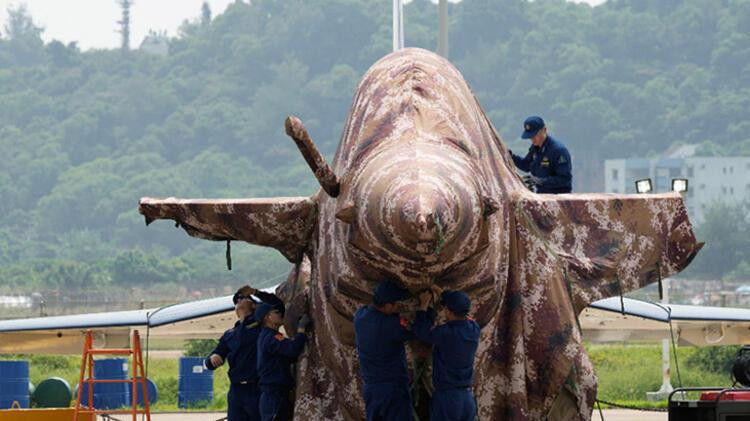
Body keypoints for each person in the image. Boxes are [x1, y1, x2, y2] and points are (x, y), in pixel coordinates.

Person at [204, 285, 285, 421]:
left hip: (257, 389)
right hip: (236, 391)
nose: (240, 301)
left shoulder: (262, 326)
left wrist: (255, 292)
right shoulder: (230, 335)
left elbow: (277, 306)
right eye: (237, 300)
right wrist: (212, 358)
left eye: (245, 298)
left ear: (253, 305)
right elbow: (210, 363)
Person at [414, 287, 480, 421]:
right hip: (467, 399)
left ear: (448, 311)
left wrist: (424, 306)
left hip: (448, 400)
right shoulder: (474, 329)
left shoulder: (445, 333)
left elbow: (421, 331)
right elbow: (460, 309)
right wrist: (441, 292)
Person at [353, 280, 415, 421]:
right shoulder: (391, 326)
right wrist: (423, 309)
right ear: (387, 305)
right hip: (393, 391)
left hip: (371, 390)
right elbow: (414, 333)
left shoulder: (360, 317)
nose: (396, 307)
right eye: (394, 304)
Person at [256, 302, 310, 421]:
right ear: (267, 318)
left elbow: (288, 356)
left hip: (274, 394)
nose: (279, 314)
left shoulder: (266, 336)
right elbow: (292, 350)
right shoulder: (271, 337)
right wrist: (301, 330)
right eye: (275, 312)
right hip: (275, 395)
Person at [510, 116, 572, 193]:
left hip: (559, 197)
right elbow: (526, 165)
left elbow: (565, 179)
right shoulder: (535, 147)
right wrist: (511, 157)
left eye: (535, 135)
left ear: (544, 130)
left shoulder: (558, 150)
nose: (533, 139)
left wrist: (542, 181)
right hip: (542, 194)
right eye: (530, 137)